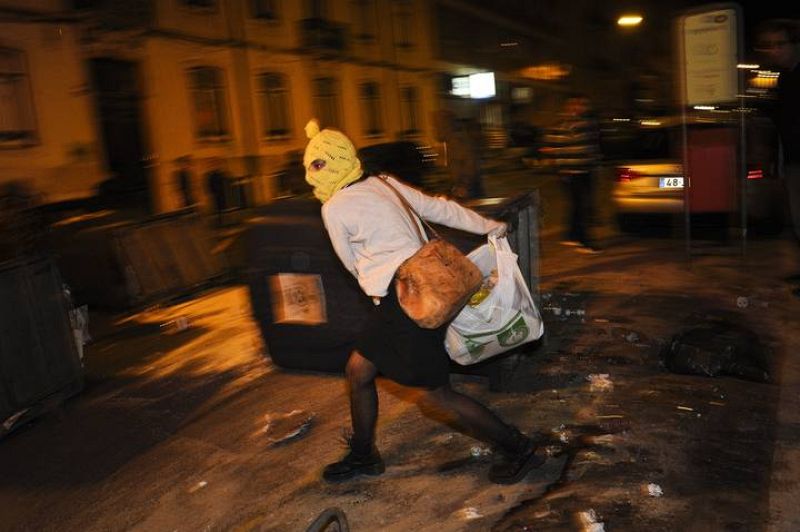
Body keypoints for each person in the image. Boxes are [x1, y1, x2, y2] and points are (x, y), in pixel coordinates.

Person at [302, 119, 543, 485]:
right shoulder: (383, 183)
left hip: (402, 303)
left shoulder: (334, 208)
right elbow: (440, 208)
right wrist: (487, 226)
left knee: (437, 395)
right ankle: (365, 453)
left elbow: (350, 264)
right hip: (429, 287)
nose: (312, 176)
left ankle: (518, 448)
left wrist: (382, 294)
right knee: (358, 370)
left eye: (314, 167)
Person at [756, 19, 800, 297]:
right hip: (793, 160)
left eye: (779, 44)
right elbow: (780, 122)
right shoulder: (784, 78)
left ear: (796, 44)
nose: (773, 50)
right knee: (797, 220)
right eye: (769, 45)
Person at [540, 95, 602, 254]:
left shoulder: (585, 123)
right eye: (575, 105)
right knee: (583, 207)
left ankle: (571, 236)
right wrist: (559, 169)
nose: (579, 108)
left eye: (582, 104)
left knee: (577, 205)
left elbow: (592, 146)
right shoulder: (567, 125)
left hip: (585, 171)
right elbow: (549, 148)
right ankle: (584, 242)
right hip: (571, 173)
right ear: (568, 107)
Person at [205, 157, 228, 226]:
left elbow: (224, 183)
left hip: (221, 193)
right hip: (216, 194)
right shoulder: (211, 175)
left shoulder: (220, 174)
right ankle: (219, 222)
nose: (215, 165)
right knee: (217, 209)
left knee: (222, 208)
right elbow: (209, 185)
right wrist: (210, 193)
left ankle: (222, 221)